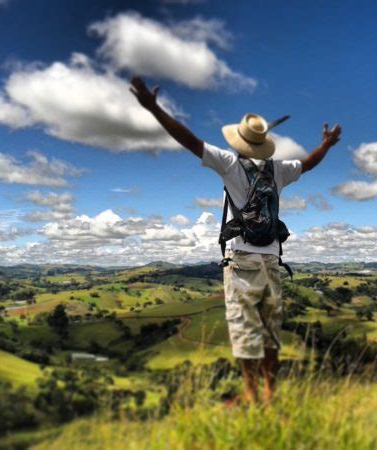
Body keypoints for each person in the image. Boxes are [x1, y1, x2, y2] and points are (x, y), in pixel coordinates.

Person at [130, 76, 341, 405]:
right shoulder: (279, 170)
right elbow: (310, 163)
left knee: (245, 330)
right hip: (272, 258)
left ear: (240, 141)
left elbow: (189, 141)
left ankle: (250, 393)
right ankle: (270, 392)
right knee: (271, 330)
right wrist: (326, 144)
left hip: (241, 258)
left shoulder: (229, 163)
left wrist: (155, 109)